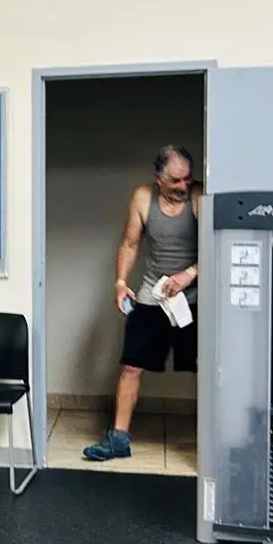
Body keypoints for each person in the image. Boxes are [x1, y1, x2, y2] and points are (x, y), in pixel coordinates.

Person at [84, 145, 201, 462]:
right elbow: (129, 243)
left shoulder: (199, 197)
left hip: (193, 296)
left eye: (187, 178)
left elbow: (216, 246)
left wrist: (189, 274)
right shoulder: (142, 197)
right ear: (159, 178)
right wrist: (121, 282)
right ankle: (118, 439)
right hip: (154, 293)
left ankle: (211, 441)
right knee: (131, 366)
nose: (183, 185)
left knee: (205, 367)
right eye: (176, 181)